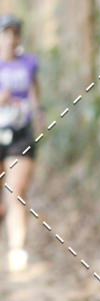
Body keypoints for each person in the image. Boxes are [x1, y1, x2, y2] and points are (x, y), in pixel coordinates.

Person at [0, 14, 42, 272]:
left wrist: (38, 112)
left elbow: (34, 91)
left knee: (15, 192)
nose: (10, 39)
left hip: (20, 133)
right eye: (5, 33)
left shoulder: (29, 63)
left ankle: (17, 249)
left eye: (14, 33)